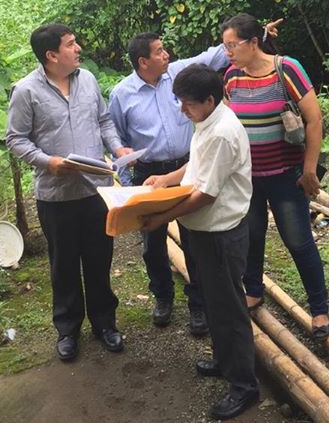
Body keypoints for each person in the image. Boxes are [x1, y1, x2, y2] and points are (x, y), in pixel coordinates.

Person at [108, 23, 280, 334]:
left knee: (194, 240)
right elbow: (115, 135)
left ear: (208, 101)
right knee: (152, 245)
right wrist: (128, 177)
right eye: (159, 51)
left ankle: (199, 304)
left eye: (187, 105)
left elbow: (216, 54)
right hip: (151, 173)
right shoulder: (122, 93)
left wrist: (258, 35)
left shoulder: (185, 81)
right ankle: (163, 296)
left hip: (187, 165)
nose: (167, 55)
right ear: (143, 61)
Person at [5, 23, 132, 362]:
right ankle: (68, 330)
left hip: (96, 191)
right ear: (51, 55)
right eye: (71, 44)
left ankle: (105, 323)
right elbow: (16, 139)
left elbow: (104, 121)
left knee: (99, 259)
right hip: (56, 195)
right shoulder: (26, 91)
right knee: (63, 265)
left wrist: (118, 148)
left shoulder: (87, 79)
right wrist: (48, 162)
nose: (78, 49)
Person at [140, 64, 259, 420]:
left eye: (187, 104)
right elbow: (197, 166)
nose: (182, 110)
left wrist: (162, 216)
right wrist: (168, 178)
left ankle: (244, 386)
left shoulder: (221, 132)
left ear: (209, 99)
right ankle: (225, 360)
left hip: (219, 233)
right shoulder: (207, 121)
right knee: (212, 301)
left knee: (228, 308)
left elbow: (205, 193)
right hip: (202, 231)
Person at [221, 13, 329, 340]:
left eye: (232, 46)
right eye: (225, 47)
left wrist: (309, 169)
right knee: (251, 236)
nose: (228, 53)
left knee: (298, 240)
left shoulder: (287, 69)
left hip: (286, 176)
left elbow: (314, 120)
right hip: (247, 178)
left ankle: (319, 309)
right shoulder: (231, 77)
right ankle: (253, 290)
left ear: (254, 42)